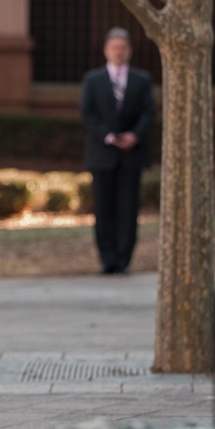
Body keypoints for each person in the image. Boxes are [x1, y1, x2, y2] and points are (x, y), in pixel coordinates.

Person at [80, 27, 155, 275]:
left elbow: (149, 113)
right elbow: (87, 113)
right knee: (103, 209)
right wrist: (109, 136)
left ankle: (124, 259)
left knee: (128, 210)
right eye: (114, 47)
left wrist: (134, 135)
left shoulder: (142, 80)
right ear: (106, 51)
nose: (119, 52)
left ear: (130, 51)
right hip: (102, 156)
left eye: (123, 48)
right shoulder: (93, 80)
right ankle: (107, 259)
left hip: (132, 156)